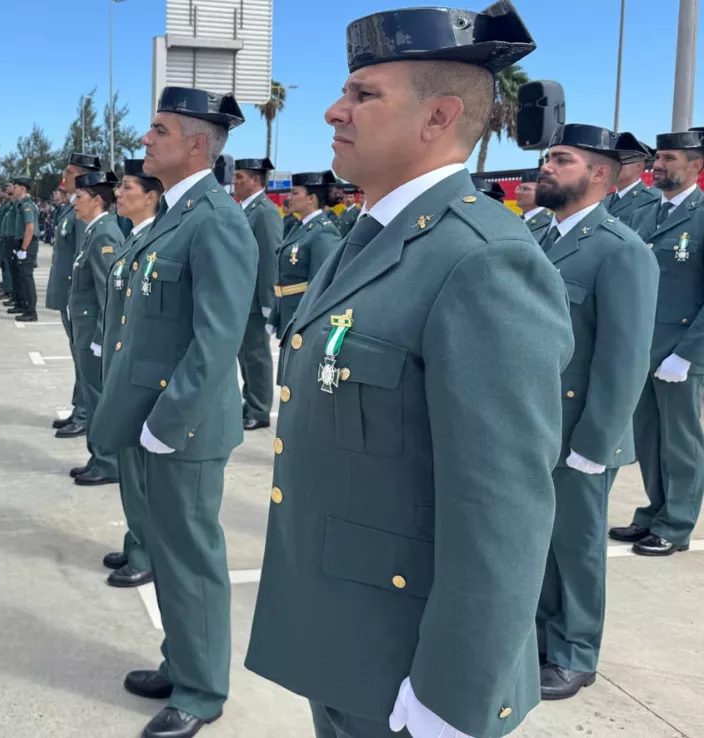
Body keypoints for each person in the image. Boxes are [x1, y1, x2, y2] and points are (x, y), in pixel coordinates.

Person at [244, 4, 576, 738]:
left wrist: (454, 695)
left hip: (410, 665)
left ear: (438, 118)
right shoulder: (358, 242)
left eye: (365, 95)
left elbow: (503, 510)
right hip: (342, 632)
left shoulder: (482, 261)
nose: (335, 109)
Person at [92, 86, 254, 738]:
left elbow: (217, 339)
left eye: (156, 131)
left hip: (181, 427)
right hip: (153, 419)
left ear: (195, 144)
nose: (143, 141)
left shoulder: (215, 220)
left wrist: (167, 422)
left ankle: (201, 690)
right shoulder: (169, 219)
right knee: (167, 550)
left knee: (191, 560)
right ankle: (179, 661)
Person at [531, 124, 659, 701]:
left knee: (576, 547)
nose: (547, 167)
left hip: (578, 428)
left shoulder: (622, 250)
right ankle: (537, 638)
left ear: (600, 175)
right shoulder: (539, 236)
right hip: (531, 425)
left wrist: (597, 443)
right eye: (548, 157)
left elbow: (624, 358)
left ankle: (575, 652)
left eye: (562, 159)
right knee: (537, 540)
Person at [609, 127, 704, 557]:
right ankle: (653, 512)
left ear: (696, 166)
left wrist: (686, 355)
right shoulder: (645, 214)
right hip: (642, 350)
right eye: (658, 159)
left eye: (669, 160)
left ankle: (677, 523)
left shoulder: (701, 215)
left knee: (680, 443)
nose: (659, 166)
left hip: (680, 352)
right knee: (647, 439)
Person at [100, 158, 162, 587]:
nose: (118, 194)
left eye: (126, 188)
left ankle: (146, 550)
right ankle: (134, 538)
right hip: (123, 370)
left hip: (141, 376)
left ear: (151, 197)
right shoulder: (133, 239)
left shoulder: (156, 241)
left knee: (142, 475)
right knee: (129, 468)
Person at [67, 170, 121, 487]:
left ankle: (108, 461)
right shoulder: (93, 230)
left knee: (100, 398)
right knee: (91, 396)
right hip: (84, 331)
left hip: (93, 336)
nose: (75, 202)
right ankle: (97, 456)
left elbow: (108, 294)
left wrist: (101, 338)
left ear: (97, 200)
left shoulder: (104, 235)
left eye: (80, 197)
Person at [50, 155, 102, 439]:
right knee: (77, 357)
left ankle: (84, 415)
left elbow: (85, 257)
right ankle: (79, 408)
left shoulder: (84, 214)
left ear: (82, 175)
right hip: (69, 296)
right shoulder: (71, 208)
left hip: (77, 298)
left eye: (69, 172)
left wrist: (75, 297)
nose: (64, 176)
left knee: (84, 360)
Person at [265, 171, 342, 345]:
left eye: (294, 193)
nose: (289, 197)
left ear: (311, 198)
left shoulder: (323, 232)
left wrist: (311, 323)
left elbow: (321, 285)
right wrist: (276, 314)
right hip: (289, 314)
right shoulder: (301, 227)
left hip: (304, 319)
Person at [232, 157, 281, 431]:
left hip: (255, 299)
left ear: (255, 180)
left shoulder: (264, 212)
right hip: (243, 297)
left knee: (256, 354)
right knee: (245, 354)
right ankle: (250, 400)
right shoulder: (247, 210)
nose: (234, 182)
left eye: (240, 177)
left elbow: (268, 259)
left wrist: (267, 302)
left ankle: (260, 409)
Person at [604, 141, 660, 227]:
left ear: (639, 166)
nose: (614, 166)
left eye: (622, 161)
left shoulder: (653, 199)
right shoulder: (604, 199)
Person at [10, 180, 39, 322]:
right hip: (22, 242)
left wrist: (23, 249)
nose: (13, 190)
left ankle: (31, 311)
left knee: (27, 278)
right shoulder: (20, 204)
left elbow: (30, 228)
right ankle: (22, 305)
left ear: (22, 188)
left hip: (28, 243)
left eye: (15, 187)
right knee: (21, 276)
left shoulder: (27, 205)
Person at [515, 169, 551, 237]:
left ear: (541, 193)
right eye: (519, 188)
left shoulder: (549, 221)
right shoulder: (514, 219)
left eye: (525, 189)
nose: (518, 192)